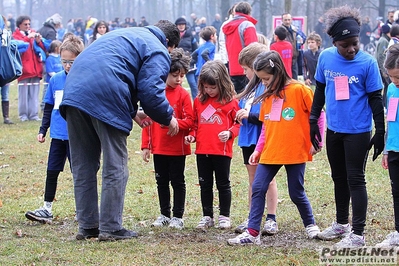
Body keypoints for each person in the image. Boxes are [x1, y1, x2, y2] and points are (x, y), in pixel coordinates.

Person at [59, 20, 180, 241]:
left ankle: (87, 226)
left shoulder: (125, 35)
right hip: (105, 96)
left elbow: (117, 70)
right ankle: (111, 227)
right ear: (169, 45)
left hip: (74, 94)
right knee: (116, 165)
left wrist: (133, 112)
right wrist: (168, 116)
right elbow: (151, 92)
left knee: (83, 164)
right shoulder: (157, 48)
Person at [227, 51, 321, 246]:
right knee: (258, 187)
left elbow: (319, 115)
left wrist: (317, 141)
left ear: (278, 71)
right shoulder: (267, 97)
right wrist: (258, 150)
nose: (265, 83)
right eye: (261, 79)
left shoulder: (300, 90)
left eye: (267, 79)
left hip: (295, 151)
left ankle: (310, 224)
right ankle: (252, 232)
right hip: (271, 151)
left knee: (296, 192)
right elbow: (265, 126)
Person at [310, 5, 385, 248]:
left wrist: (380, 131)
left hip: (358, 131)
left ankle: (358, 234)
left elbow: (375, 98)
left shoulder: (368, 63)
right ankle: (341, 223)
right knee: (338, 177)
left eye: (355, 43)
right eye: (345, 45)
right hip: (334, 129)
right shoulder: (325, 57)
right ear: (334, 42)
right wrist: (313, 120)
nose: (351, 49)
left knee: (356, 179)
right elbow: (320, 89)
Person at [25, 36, 85, 224]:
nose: (68, 66)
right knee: (52, 171)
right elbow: (49, 107)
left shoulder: (84, 80)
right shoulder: (55, 80)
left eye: (72, 62)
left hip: (76, 137)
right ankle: (46, 208)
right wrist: (43, 129)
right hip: (58, 136)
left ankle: (82, 209)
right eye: (64, 61)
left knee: (79, 173)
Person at [141, 48, 194, 230]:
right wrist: (145, 146)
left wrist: (175, 123)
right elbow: (147, 121)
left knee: (178, 181)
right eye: (175, 75)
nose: (178, 79)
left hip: (177, 149)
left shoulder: (184, 95)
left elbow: (190, 121)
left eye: (182, 75)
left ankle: (178, 216)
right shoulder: (156, 93)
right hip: (159, 148)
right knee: (161, 181)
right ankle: (164, 213)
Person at [184, 60, 240, 231]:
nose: (209, 91)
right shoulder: (199, 101)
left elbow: (238, 124)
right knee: (205, 184)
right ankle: (207, 216)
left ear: (222, 84)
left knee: (223, 184)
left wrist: (230, 133)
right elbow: (194, 124)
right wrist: (192, 136)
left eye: (212, 88)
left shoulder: (230, 102)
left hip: (221, 152)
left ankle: (224, 215)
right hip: (202, 151)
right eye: (206, 87)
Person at [234, 43, 279, 235]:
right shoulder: (250, 88)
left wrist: (249, 115)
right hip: (247, 137)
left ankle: (271, 218)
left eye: (246, 69)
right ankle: (253, 216)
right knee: (253, 179)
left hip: (263, 138)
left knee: (268, 179)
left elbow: (268, 114)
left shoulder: (268, 86)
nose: (244, 73)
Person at [376, 44, 399, 247]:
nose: (395, 81)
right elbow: (391, 119)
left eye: (398, 77)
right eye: (391, 76)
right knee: (396, 191)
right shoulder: (391, 89)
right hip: (394, 148)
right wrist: (386, 149)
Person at [13, 15, 46, 122]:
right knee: (23, 94)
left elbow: (42, 48)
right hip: (23, 69)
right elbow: (18, 47)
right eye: (25, 24)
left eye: (29, 24)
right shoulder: (15, 35)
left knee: (34, 94)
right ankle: (23, 115)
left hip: (35, 68)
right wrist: (28, 38)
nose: (28, 26)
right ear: (19, 25)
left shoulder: (33, 32)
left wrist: (38, 41)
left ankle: (34, 114)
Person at [222, 1, 258, 94]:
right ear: (249, 12)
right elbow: (253, 49)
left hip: (232, 67)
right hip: (247, 69)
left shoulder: (227, 27)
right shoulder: (247, 25)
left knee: (236, 96)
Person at [175, 17, 198, 99]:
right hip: (177, 64)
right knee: (177, 85)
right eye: (179, 25)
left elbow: (196, 49)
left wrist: (193, 60)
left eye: (183, 25)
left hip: (189, 64)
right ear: (176, 26)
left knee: (193, 84)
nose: (181, 26)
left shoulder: (190, 35)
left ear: (185, 25)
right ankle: (178, 101)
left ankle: (196, 102)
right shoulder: (174, 36)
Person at [281, 13, 306, 80]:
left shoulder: (295, 29)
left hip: (295, 58)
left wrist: (302, 40)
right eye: (285, 20)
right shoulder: (279, 30)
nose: (287, 22)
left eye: (289, 20)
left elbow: (304, 37)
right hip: (284, 58)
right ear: (282, 20)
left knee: (294, 78)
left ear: (291, 20)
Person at [41, 40, 63, 111]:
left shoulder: (60, 58)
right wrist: (58, 77)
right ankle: (44, 106)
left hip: (60, 80)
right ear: (56, 48)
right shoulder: (50, 59)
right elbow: (50, 71)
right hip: (51, 81)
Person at [375, 24, 391, 108]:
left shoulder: (383, 39)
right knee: (387, 87)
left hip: (380, 68)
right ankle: (385, 105)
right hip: (381, 69)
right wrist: (384, 71)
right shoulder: (384, 41)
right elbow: (381, 56)